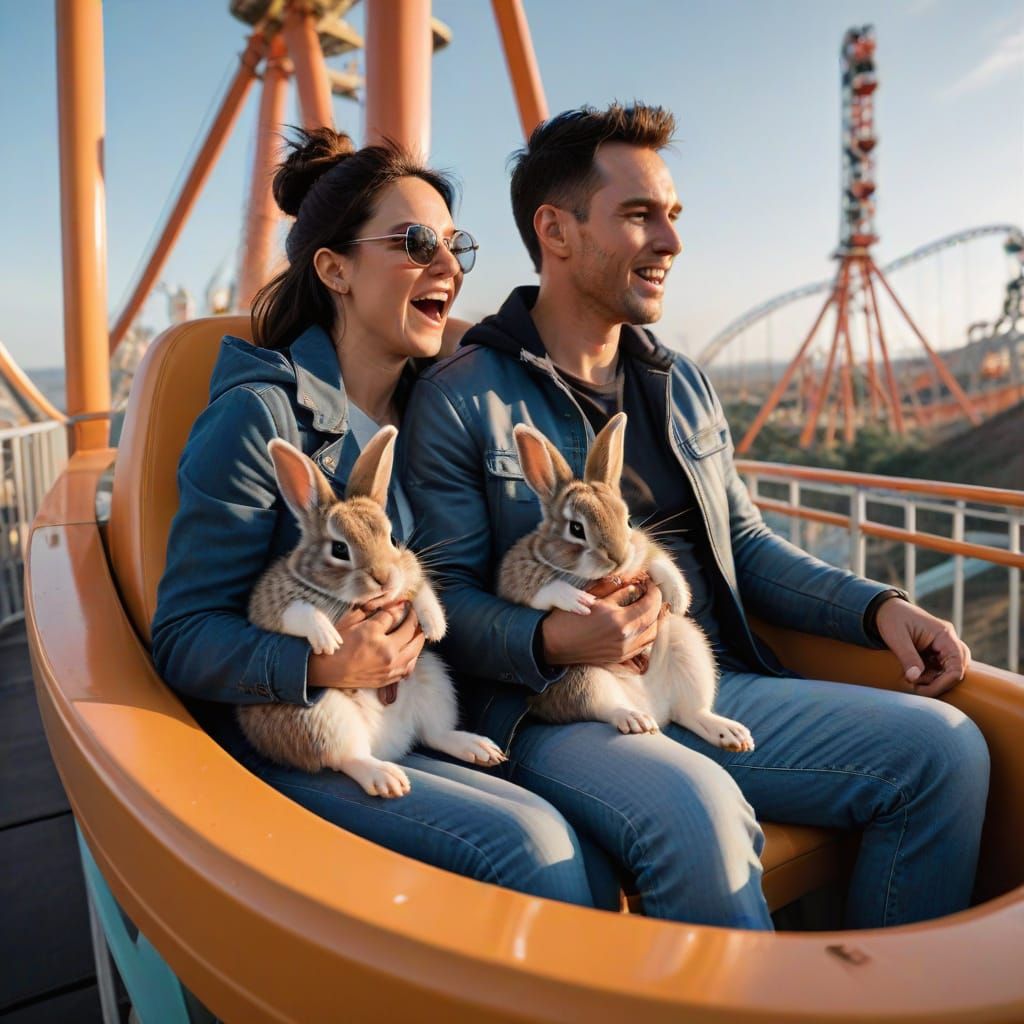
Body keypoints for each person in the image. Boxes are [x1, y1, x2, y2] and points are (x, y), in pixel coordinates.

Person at [400, 104, 990, 930]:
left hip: (702, 674)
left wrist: (877, 607)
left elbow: (745, 546)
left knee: (947, 750)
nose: (671, 242)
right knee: (697, 815)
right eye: (639, 215)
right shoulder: (462, 398)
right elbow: (444, 600)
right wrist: (556, 640)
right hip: (559, 705)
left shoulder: (681, 385)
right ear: (557, 231)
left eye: (672, 216)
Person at [150, 128, 599, 907]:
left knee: (603, 815)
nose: (450, 266)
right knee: (533, 849)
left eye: (456, 244)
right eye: (417, 241)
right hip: (304, 731)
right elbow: (185, 636)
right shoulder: (259, 420)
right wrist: (323, 665)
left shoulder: (443, 405)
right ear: (334, 269)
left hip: (429, 706)